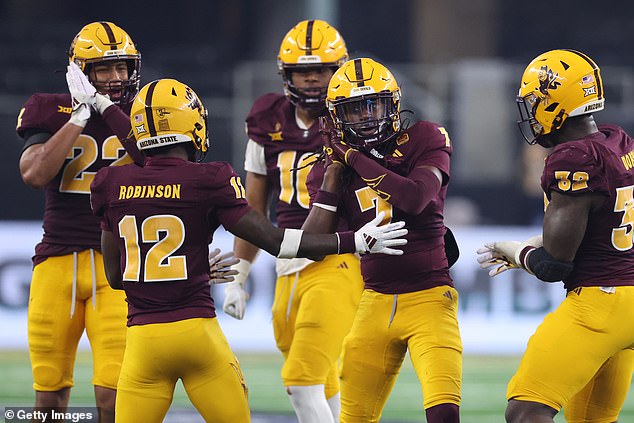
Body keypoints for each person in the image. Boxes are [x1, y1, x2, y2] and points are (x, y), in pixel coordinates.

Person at [89, 78, 408, 423]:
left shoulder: (110, 183)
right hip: (197, 338)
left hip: (141, 346)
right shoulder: (209, 178)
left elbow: (117, 276)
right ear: (192, 124)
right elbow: (276, 242)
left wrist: (183, 267)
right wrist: (354, 241)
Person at [477, 49, 634, 423]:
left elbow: (553, 266)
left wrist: (514, 251)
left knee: (525, 410)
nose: (530, 113)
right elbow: (603, 223)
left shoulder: (573, 158)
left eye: (535, 102)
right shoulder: (618, 142)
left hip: (600, 305)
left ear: (554, 103)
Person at [303, 57, 462, 423]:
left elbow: (415, 198)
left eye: (373, 104)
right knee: (354, 418)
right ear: (337, 117)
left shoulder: (424, 137)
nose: (366, 116)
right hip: (373, 301)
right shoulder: (333, 165)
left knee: (444, 414)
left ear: (393, 104)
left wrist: (354, 158)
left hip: (430, 298)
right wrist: (331, 180)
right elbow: (313, 247)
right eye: (354, 110)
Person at [226, 19, 364, 422]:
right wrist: (240, 273)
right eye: (303, 72)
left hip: (340, 256)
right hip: (286, 260)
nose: (311, 81)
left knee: (300, 380)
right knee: (320, 383)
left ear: (338, 70)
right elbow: (253, 205)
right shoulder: (267, 118)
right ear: (286, 74)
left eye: (320, 71)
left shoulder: (355, 119)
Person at [16, 21, 142, 422]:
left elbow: (155, 163)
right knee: (49, 400)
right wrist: (80, 116)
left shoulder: (145, 114)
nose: (116, 77)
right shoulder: (50, 109)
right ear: (80, 72)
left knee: (112, 397)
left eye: (122, 67)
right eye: (104, 68)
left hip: (117, 267)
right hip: (58, 261)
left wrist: (108, 111)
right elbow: (34, 174)